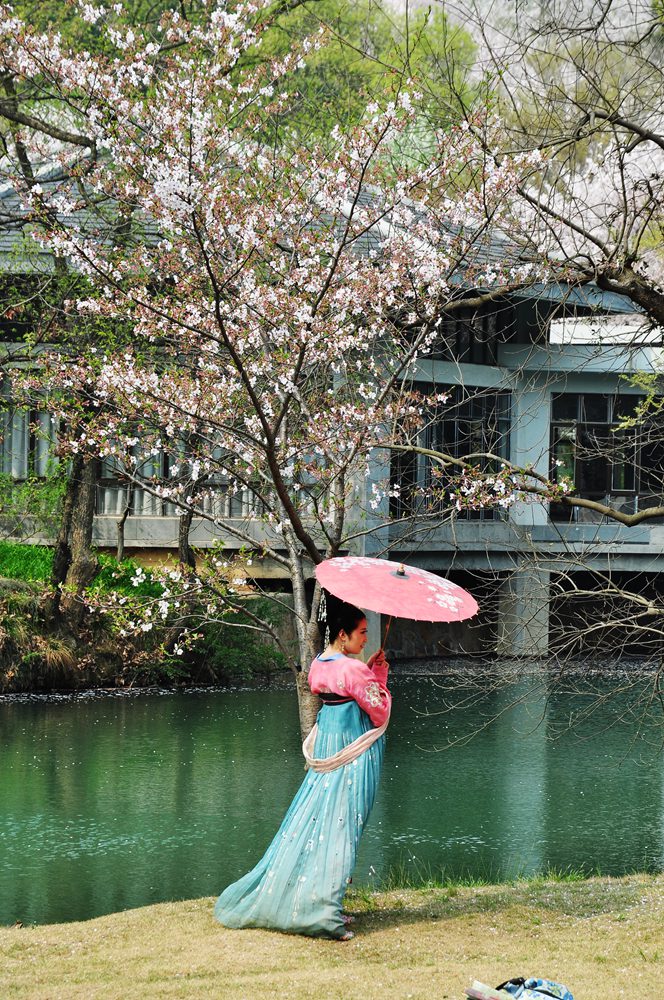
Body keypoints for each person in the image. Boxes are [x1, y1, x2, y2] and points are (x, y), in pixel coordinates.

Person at [214, 599, 391, 940]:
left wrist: (367, 668)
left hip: (328, 742)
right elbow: (379, 709)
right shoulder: (354, 671)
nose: (366, 640)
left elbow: (340, 688)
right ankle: (325, 915)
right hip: (350, 752)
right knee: (343, 825)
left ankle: (322, 903)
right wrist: (377, 674)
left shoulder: (319, 664)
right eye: (362, 633)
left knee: (320, 820)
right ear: (343, 635)